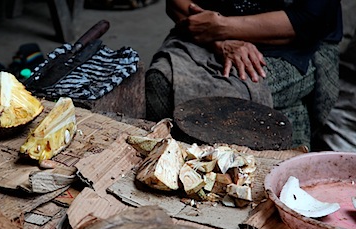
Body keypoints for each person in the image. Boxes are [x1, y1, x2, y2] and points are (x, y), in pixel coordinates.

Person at [145, 0, 343, 149]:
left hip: (291, 42)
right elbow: (177, 4)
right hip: (201, 31)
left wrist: (222, 27)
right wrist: (218, 41)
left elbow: (309, 19)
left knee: (224, 100)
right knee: (160, 82)